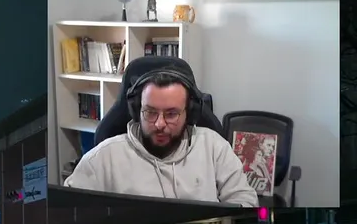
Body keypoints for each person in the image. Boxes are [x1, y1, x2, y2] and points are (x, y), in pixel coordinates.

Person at [63, 70, 258, 207]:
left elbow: (244, 200)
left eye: (171, 114)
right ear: (136, 111)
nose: (159, 124)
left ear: (189, 114)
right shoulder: (103, 158)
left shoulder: (214, 147)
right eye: (150, 112)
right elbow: (69, 209)